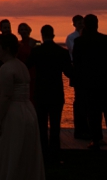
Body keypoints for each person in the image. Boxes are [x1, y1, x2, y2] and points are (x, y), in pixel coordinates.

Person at [0, 33, 45, 180]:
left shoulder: (7, 68)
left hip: (12, 114)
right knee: (21, 152)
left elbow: (6, 96)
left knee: (9, 150)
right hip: (26, 110)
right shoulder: (20, 66)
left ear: (6, 48)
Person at [72, 14, 107, 151]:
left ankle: (96, 140)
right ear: (97, 24)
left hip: (90, 85)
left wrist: (80, 84)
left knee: (93, 114)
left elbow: (77, 65)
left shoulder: (80, 42)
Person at [25, 25, 72, 163]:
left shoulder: (37, 52)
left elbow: (26, 66)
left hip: (40, 92)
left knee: (41, 125)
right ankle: (55, 155)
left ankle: (43, 155)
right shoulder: (62, 52)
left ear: (42, 35)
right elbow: (69, 73)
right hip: (56, 93)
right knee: (55, 126)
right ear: (53, 35)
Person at [65, 14, 87, 139]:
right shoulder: (71, 37)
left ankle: (87, 127)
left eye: (82, 23)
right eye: (79, 23)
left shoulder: (86, 37)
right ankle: (79, 129)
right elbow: (74, 50)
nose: (81, 25)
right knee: (79, 100)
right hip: (77, 69)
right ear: (74, 24)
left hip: (88, 71)